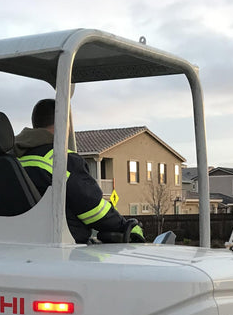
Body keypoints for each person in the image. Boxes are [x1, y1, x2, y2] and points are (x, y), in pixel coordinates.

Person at [15, 99, 144, 244]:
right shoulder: (62, 160)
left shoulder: (14, 158)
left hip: (19, 243)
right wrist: (126, 226)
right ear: (65, 124)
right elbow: (93, 210)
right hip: (64, 248)